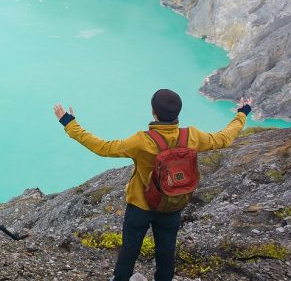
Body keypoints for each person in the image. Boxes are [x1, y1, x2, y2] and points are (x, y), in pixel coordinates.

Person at [53, 89, 253, 281]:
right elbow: (224, 138)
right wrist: (242, 114)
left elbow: (103, 147)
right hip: (173, 202)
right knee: (166, 251)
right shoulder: (191, 136)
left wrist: (68, 123)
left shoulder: (142, 141)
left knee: (129, 250)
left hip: (141, 206)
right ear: (178, 113)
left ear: (153, 112)